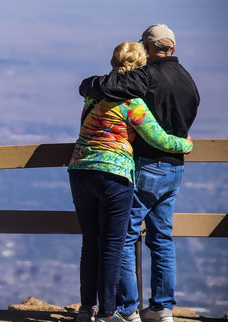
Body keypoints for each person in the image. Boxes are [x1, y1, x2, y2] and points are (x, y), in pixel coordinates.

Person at [79, 24, 200, 322]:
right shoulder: (188, 80)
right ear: (172, 47)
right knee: (161, 238)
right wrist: (184, 144)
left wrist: (87, 84)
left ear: (148, 47)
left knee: (122, 236)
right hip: (175, 169)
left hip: (146, 166)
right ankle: (162, 308)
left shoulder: (146, 77)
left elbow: (110, 87)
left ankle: (128, 309)